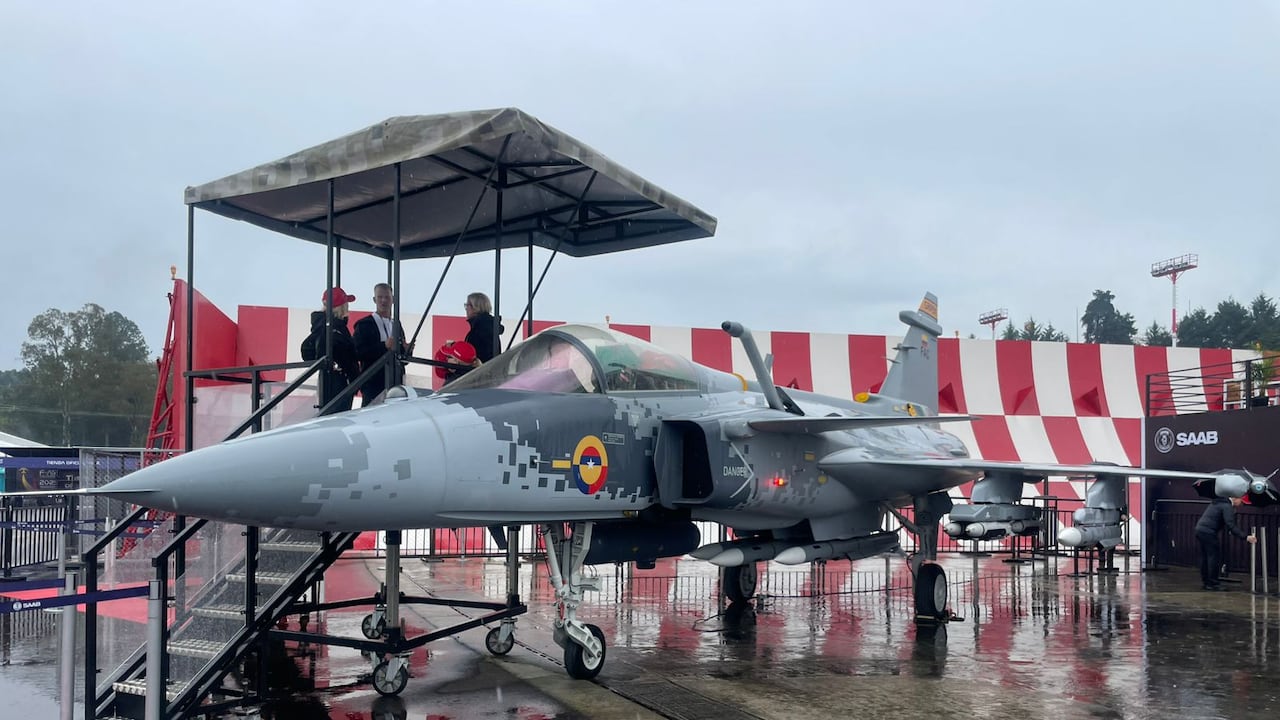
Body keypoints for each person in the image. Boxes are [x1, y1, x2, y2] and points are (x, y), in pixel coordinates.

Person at [301, 287, 361, 413]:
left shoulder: (323, 324)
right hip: (338, 384)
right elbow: (336, 353)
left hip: (331, 382)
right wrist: (347, 371)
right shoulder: (333, 327)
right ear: (341, 307)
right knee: (337, 420)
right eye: (346, 304)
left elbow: (307, 349)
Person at [353, 283, 413, 406]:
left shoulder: (396, 323)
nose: (383, 300)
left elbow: (403, 359)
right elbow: (358, 352)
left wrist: (407, 350)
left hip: (396, 384)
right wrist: (383, 346)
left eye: (387, 297)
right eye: (380, 297)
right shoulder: (364, 324)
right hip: (373, 384)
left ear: (393, 300)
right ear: (374, 300)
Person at [1195, 494, 1256, 591]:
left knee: (1205, 557)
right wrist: (1245, 537)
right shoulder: (1227, 506)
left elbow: (1224, 521)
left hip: (1200, 529)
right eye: (1242, 502)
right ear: (1236, 498)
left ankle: (1206, 582)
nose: (1242, 505)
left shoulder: (1219, 502)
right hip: (1209, 532)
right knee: (1213, 558)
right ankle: (1213, 584)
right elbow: (1230, 524)